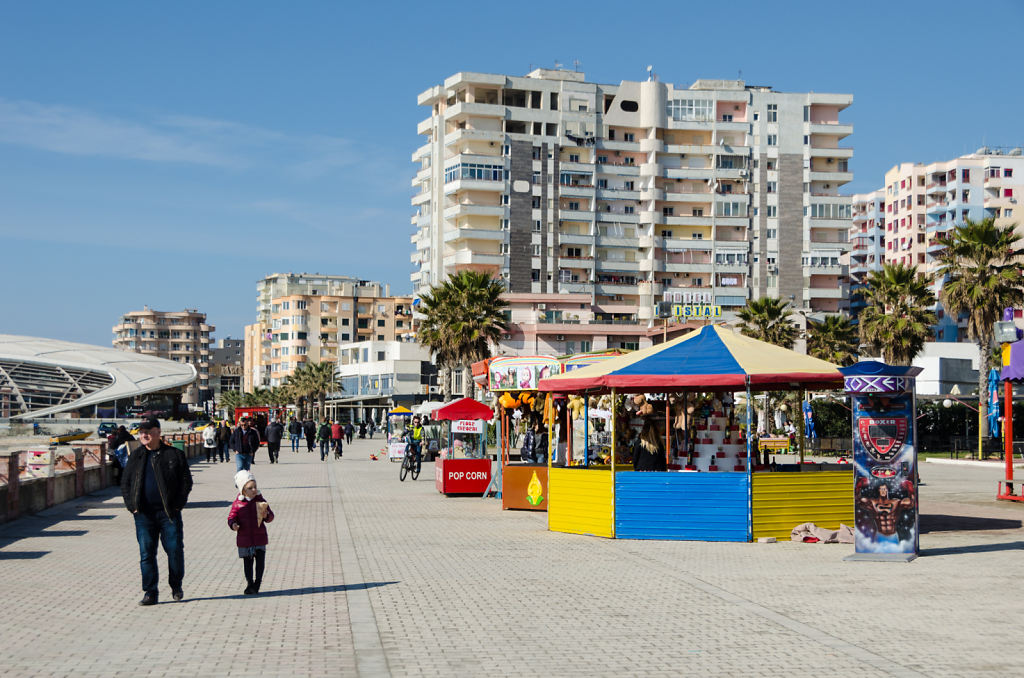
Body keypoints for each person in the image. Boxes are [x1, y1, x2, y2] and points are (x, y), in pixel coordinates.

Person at [121, 418, 193, 606]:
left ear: (158, 432)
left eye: (148, 431)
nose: (143, 435)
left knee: (175, 551)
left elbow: (186, 482)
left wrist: (178, 505)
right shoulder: (135, 456)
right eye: (141, 432)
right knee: (146, 554)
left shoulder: (174, 455)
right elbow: (125, 483)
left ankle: (176, 585)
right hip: (144, 515)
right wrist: (132, 506)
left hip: (168, 513)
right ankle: (150, 592)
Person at [228, 470, 275, 595]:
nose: (254, 490)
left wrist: (267, 515)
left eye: (255, 487)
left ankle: (257, 583)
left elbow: (270, 517)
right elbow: (231, 517)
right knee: (247, 564)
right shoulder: (238, 504)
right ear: (243, 490)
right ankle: (249, 583)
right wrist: (233, 525)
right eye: (250, 488)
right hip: (245, 539)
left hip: (259, 538)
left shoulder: (260, 500)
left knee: (260, 563)